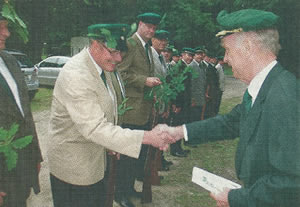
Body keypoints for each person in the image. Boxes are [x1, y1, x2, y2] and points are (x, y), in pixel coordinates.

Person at [160, 8, 300, 207]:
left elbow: (292, 183)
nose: (225, 59)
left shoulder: (283, 96)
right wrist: (179, 131)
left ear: (248, 46)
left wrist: (236, 199)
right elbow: (232, 122)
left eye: (228, 50)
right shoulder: (266, 86)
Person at [47, 23, 173, 207]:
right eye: (113, 52)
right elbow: (95, 128)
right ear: (95, 44)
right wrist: (148, 137)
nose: (119, 58)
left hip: (95, 158)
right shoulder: (77, 75)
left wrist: (111, 141)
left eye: (121, 52)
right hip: (75, 167)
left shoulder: (103, 67)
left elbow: (111, 107)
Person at [115, 12, 162, 207]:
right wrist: (145, 81)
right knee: (126, 156)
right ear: (140, 24)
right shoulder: (131, 44)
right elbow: (120, 73)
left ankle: (128, 187)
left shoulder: (147, 48)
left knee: (136, 154)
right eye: (148, 26)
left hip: (143, 109)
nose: (151, 30)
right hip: (131, 111)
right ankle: (120, 194)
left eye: (154, 28)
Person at [0, 2, 42, 206]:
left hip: (22, 162)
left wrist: (35, 154)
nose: (7, 33)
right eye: (0, 27)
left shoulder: (10, 61)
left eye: (6, 27)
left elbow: (25, 112)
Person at [169, 47, 194, 157]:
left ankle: (179, 147)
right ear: (182, 55)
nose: (189, 57)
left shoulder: (185, 67)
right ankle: (175, 149)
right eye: (187, 55)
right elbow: (176, 87)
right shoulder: (179, 67)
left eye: (191, 55)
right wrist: (177, 104)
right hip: (180, 103)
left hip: (184, 102)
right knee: (177, 125)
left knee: (181, 125)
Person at [188, 46, 207, 122]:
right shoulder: (191, 66)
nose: (199, 56)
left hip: (201, 97)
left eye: (201, 54)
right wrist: (192, 99)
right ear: (194, 56)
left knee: (198, 117)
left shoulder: (202, 66)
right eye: (197, 54)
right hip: (194, 99)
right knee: (193, 118)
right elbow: (190, 84)